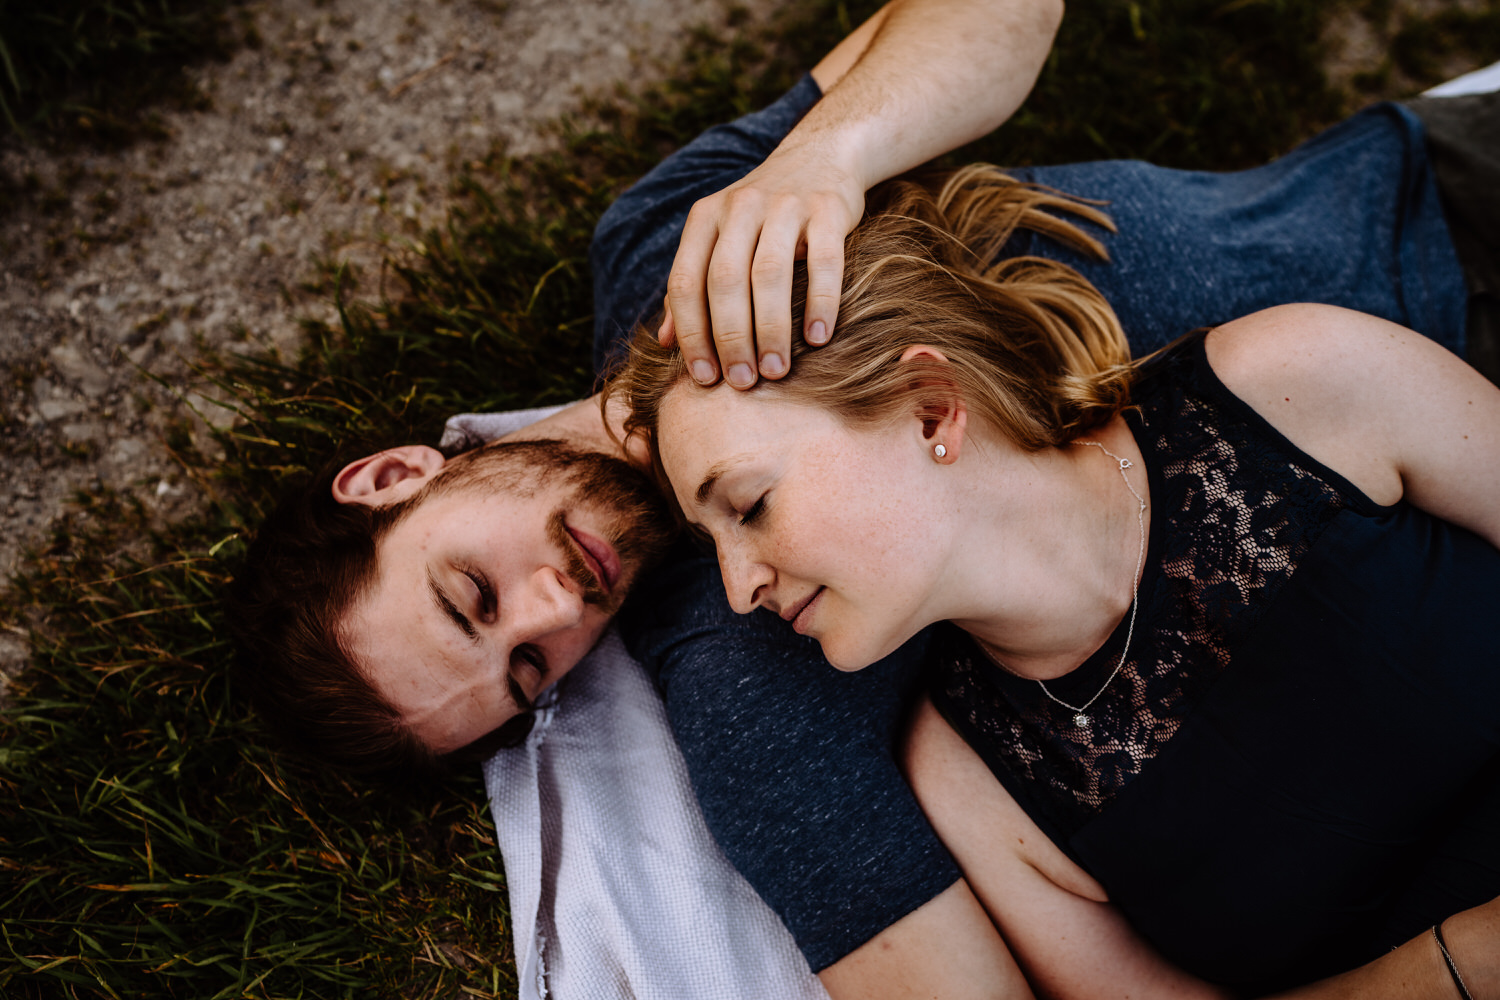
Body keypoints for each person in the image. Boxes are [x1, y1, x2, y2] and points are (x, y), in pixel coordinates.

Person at [228, 0, 1499, 992]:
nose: (556, 610)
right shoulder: (751, 687)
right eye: (527, 673)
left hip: (1430, 209)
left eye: (472, 592)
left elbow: (1008, 17)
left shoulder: (671, 251)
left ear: (396, 477)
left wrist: (825, 160)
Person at [611, 147, 1500, 997]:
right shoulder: (970, 787)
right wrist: (1462, 966)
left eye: (750, 505)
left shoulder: (1297, 389)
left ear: (931, 409)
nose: (738, 590)